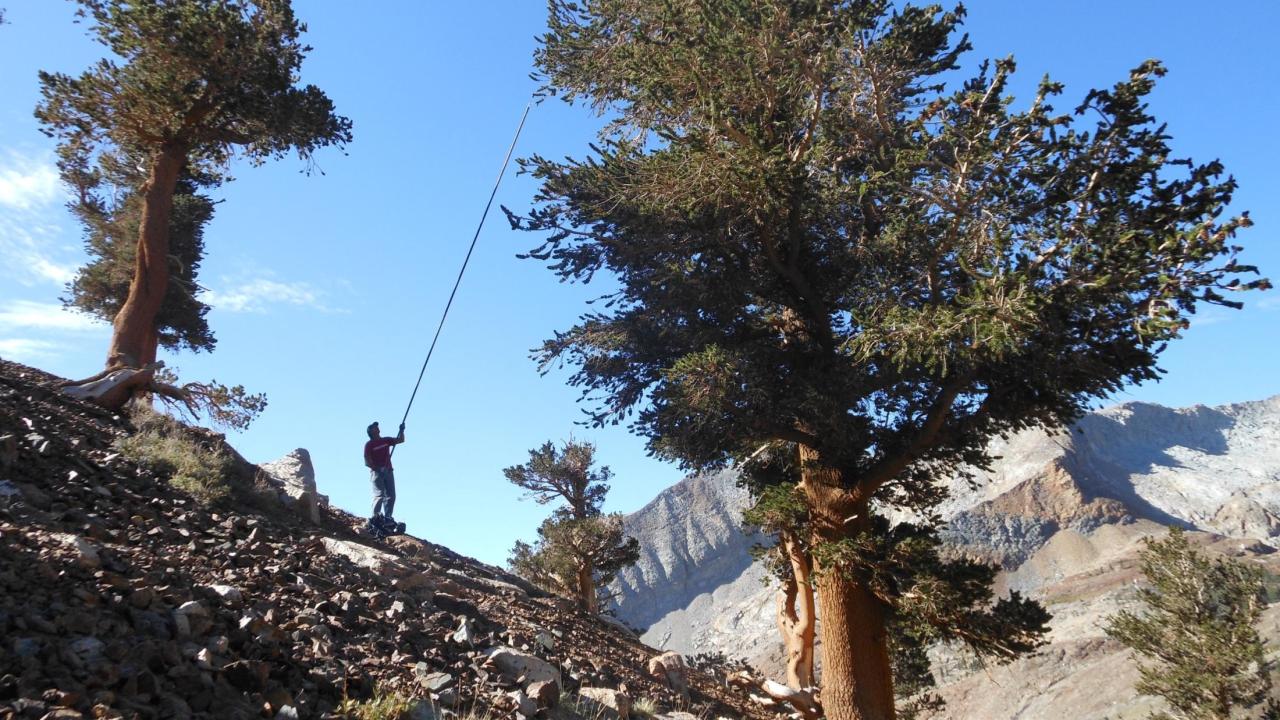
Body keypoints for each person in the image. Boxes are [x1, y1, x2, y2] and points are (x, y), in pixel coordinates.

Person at [364, 420, 405, 535]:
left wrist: (401, 431)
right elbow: (367, 461)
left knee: (391, 495)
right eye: (374, 427)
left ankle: (387, 517)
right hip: (377, 473)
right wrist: (376, 468)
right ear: (371, 432)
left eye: (376, 427)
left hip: (388, 471)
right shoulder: (369, 444)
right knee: (379, 495)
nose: (377, 428)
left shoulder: (386, 440)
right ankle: (375, 518)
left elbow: (400, 440)